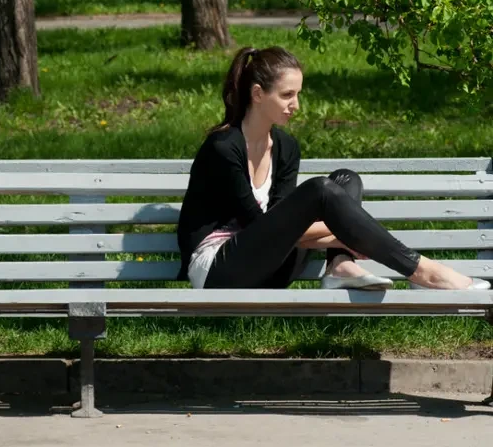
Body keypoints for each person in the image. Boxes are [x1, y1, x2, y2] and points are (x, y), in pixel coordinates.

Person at [176, 46, 491, 292]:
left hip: (274, 267)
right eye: (287, 95)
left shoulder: (286, 148)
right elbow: (261, 226)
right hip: (221, 270)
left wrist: (346, 233)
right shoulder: (223, 148)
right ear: (258, 94)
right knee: (321, 191)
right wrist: (348, 232)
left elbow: (284, 221)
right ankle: (424, 271)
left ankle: (339, 266)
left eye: (298, 94)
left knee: (344, 180)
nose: (296, 105)